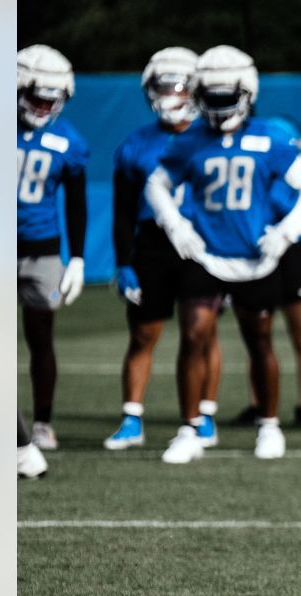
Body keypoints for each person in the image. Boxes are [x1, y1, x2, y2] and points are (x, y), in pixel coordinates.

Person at [146, 45, 301, 463]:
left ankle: (268, 424)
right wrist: (177, 225)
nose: (219, 108)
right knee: (193, 334)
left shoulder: (268, 138)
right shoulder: (190, 141)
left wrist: (285, 233)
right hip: (204, 253)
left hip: (255, 256)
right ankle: (189, 429)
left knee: (260, 340)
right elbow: (156, 185)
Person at [105, 47, 224, 452]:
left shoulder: (213, 136)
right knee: (142, 334)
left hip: (202, 243)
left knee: (202, 333)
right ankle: (131, 418)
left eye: (177, 85)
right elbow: (121, 211)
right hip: (152, 244)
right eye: (163, 85)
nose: (170, 93)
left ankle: (203, 415)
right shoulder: (136, 144)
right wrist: (123, 262)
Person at [230, 116, 301, 431]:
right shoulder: (253, 167)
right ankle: (258, 404)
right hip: (257, 248)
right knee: (259, 333)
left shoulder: (292, 172)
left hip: (292, 249)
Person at [16, 44, 88, 451]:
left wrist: (76, 257)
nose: (44, 106)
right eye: (36, 96)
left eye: (52, 99)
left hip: (43, 250)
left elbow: (76, 202)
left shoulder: (68, 141)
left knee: (41, 338)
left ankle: (42, 422)